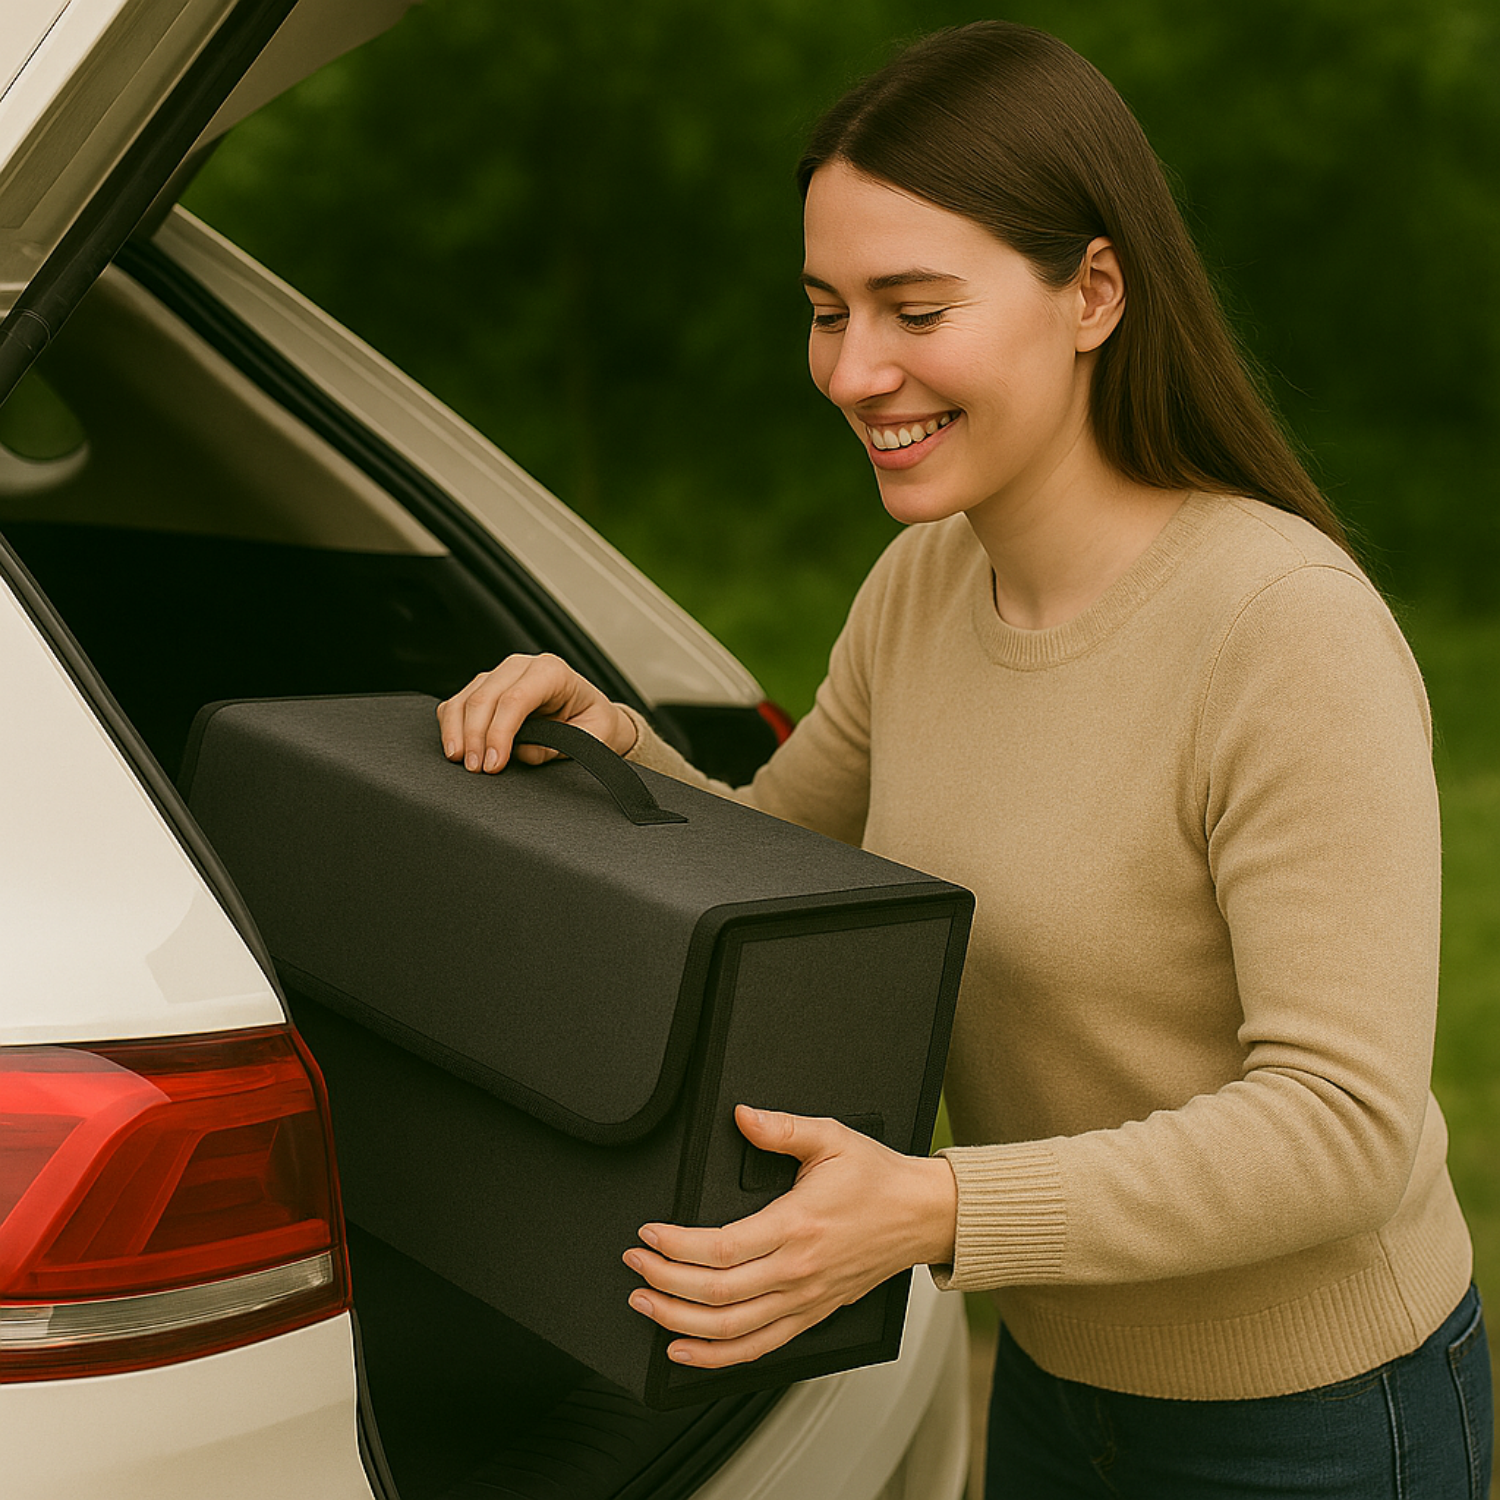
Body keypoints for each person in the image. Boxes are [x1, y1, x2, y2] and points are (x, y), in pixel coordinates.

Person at [436, 21, 1493, 1497]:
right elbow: (777, 860)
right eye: (825, 311)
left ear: (1094, 293)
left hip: (1313, 1417)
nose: (855, 370)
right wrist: (611, 751)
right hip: (1061, 1388)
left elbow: (1341, 1128)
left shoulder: (1282, 629)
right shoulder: (924, 587)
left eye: (914, 310)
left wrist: (933, 1211)